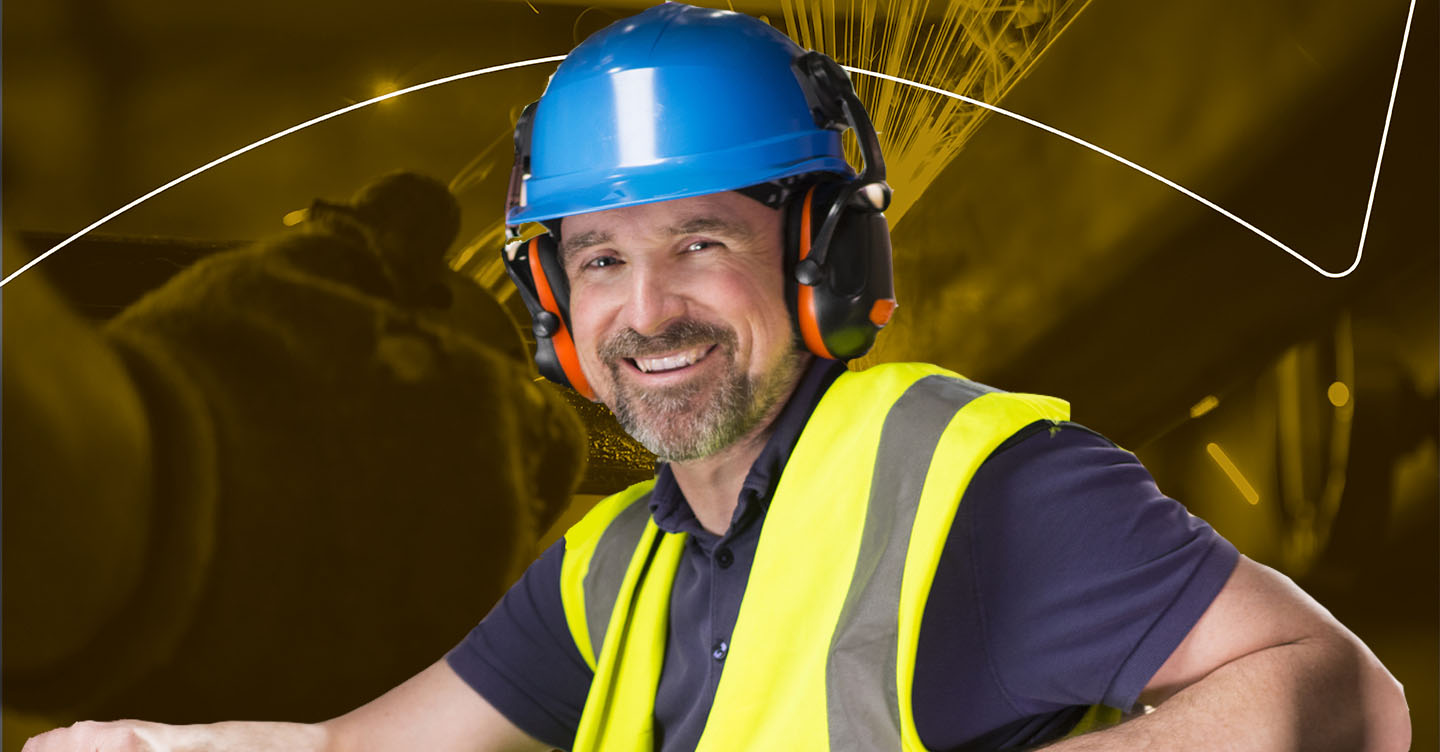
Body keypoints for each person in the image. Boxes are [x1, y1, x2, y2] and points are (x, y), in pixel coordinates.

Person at [24, 4, 1410, 751]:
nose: (647, 313)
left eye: (701, 241)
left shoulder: (964, 477)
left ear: (826, 256)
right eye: (600, 260)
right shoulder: (613, 571)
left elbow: (1335, 694)